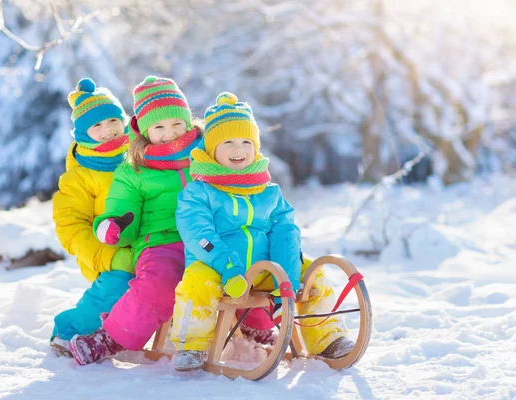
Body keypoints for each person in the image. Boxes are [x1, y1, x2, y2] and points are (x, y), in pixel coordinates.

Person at [169, 92, 354, 371]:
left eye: (246, 141)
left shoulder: (270, 193)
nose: (238, 148)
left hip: (266, 270)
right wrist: (227, 266)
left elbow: (286, 234)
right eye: (228, 141)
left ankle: (328, 338)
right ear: (211, 150)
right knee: (196, 283)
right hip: (217, 268)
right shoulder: (198, 192)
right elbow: (199, 235)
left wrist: (287, 278)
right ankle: (191, 345)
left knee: (314, 277)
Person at [68, 76, 203, 365]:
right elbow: (123, 208)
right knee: (158, 284)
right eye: (159, 126)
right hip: (161, 243)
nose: (169, 133)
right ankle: (111, 337)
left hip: (208, 238)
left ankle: (256, 326)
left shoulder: (206, 156)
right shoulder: (133, 171)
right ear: (144, 131)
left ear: (188, 121)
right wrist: (116, 227)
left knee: (244, 266)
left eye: (176, 123)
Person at [50, 78, 134, 356]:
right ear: (84, 133)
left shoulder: (140, 154)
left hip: (151, 239)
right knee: (118, 283)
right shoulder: (80, 175)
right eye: (96, 125)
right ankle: (70, 330)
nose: (107, 129)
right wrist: (106, 256)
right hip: (107, 250)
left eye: (112, 120)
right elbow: (71, 225)